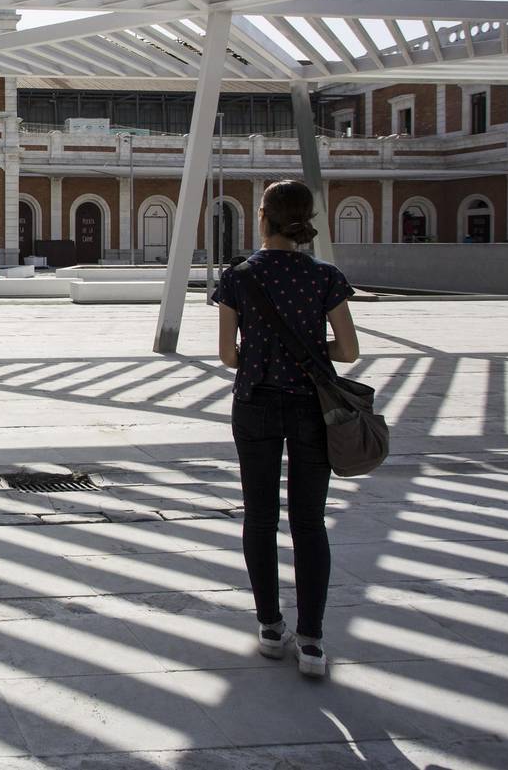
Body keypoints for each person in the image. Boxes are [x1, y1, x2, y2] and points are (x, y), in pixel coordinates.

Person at [217, 180, 360, 679]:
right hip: (309, 408)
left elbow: (229, 356)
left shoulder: (239, 276)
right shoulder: (326, 276)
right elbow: (349, 351)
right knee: (309, 522)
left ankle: (272, 628)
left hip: (255, 404)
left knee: (260, 519)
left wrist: (263, 353)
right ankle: (314, 641)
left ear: (263, 217)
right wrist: (309, 347)